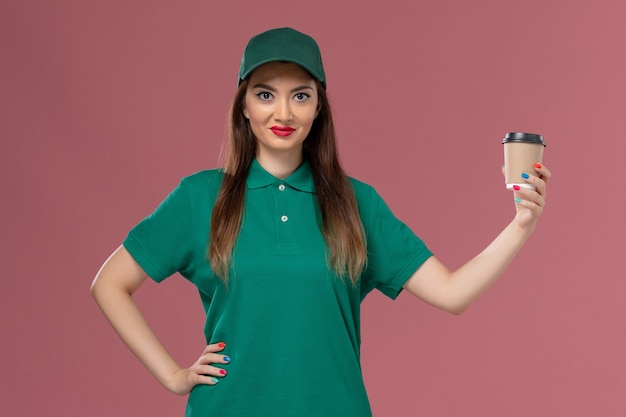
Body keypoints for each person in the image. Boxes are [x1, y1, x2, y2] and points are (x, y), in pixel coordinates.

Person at [91, 27, 551, 417]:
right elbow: (109, 284)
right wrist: (174, 375)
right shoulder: (199, 198)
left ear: (318, 109)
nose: (284, 113)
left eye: (301, 96)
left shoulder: (356, 204)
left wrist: (521, 225)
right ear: (244, 106)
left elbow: (453, 293)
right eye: (266, 94)